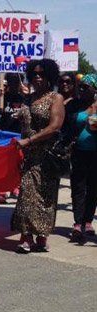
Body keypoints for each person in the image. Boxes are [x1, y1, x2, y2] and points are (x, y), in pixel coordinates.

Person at [11, 59, 65, 253]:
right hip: (28, 156)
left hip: (47, 157)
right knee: (26, 194)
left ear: (50, 76)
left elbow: (55, 126)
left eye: (42, 74)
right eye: (34, 74)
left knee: (44, 197)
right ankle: (26, 236)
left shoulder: (55, 98)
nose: (38, 77)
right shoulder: (28, 98)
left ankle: (41, 237)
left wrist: (30, 140)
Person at [68, 74, 97, 242]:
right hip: (78, 151)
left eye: (86, 87)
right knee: (78, 187)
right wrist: (85, 114)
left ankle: (88, 221)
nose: (82, 89)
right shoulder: (75, 104)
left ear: (94, 88)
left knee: (93, 188)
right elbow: (69, 122)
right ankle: (78, 223)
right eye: (80, 86)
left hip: (95, 153)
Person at [0, 73, 26, 203]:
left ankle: (15, 187)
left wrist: (26, 96)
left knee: (19, 162)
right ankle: (2, 192)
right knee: (4, 163)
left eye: (16, 81)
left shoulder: (24, 98)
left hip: (20, 134)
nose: (13, 84)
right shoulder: (2, 97)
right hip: (5, 134)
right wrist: (0, 97)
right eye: (10, 81)